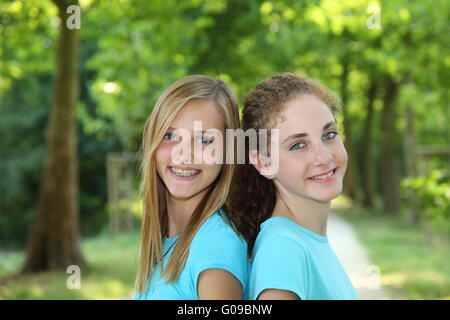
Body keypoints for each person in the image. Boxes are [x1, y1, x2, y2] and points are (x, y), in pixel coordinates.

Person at [228, 72, 358, 300]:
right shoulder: (283, 251)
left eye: (329, 134)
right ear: (264, 162)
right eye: (298, 145)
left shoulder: (305, 241)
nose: (324, 156)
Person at [133, 75, 248, 300]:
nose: (184, 153)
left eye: (204, 140)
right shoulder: (165, 240)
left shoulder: (216, 247)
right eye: (170, 135)